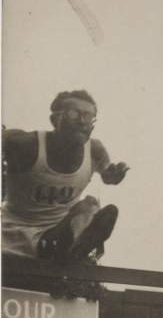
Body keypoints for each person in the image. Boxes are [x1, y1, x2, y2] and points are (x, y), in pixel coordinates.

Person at [2, 90, 128, 263]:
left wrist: (114, 175)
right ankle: (58, 247)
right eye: (74, 114)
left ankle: (70, 247)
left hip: (60, 228)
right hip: (14, 231)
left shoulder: (95, 150)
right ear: (55, 119)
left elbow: (108, 177)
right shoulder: (26, 144)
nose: (82, 122)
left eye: (88, 116)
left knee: (89, 206)